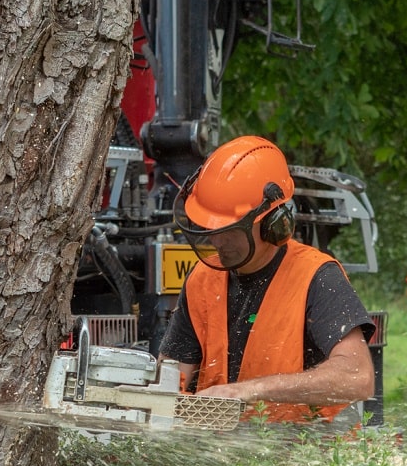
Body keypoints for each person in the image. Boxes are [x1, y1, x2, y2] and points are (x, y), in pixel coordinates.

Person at [159, 135, 375, 424]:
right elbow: (172, 376)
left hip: (303, 451)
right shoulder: (203, 279)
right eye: (210, 227)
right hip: (220, 452)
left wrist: (249, 391)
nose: (216, 240)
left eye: (229, 229)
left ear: (273, 224)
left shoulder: (317, 276)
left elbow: (357, 377)